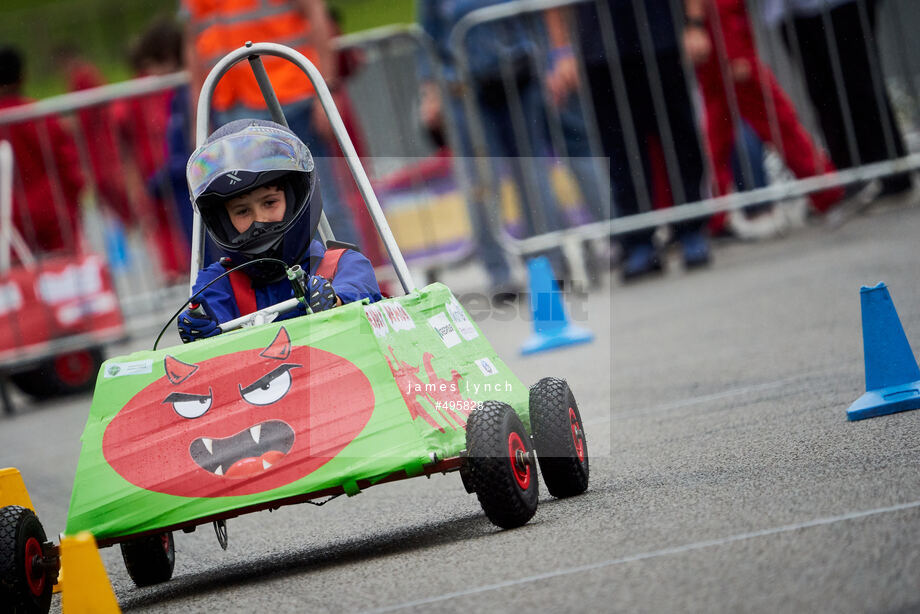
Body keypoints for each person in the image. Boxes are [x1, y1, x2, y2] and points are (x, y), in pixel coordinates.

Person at [546, 0, 712, 281]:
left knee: (680, 138)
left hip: (662, 37)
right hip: (599, 49)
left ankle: (691, 230)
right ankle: (638, 240)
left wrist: (694, 24)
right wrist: (562, 50)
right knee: (619, 150)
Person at [177, 119, 381, 343]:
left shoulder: (342, 264)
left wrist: (334, 301)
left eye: (269, 203)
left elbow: (361, 293)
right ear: (224, 220)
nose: (259, 220)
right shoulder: (219, 283)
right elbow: (209, 316)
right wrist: (201, 329)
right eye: (243, 211)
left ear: (294, 200)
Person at [418, 0, 569, 299]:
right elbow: (427, 35)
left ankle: (551, 265)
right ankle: (499, 274)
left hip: (521, 78)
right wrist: (430, 89)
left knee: (533, 175)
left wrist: (551, 63)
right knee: (480, 184)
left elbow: (536, 17)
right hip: (464, 88)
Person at [180, 0, 360, 246]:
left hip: (291, 98)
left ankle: (346, 279)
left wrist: (326, 90)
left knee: (323, 204)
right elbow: (193, 43)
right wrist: (198, 120)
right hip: (233, 108)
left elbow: (316, 13)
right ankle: (287, 281)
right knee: (259, 217)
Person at [693, 0, 845, 236]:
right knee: (757, 126)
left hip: (721, 40)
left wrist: (733, 50)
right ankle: (825, 191)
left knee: (737, 130)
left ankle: (825, 190)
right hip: (721, 41)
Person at [764, 0, 916, 206]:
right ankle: (851, 180)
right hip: (792, 12)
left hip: (840, 6)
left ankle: (893, 176)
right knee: (822, 94)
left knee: (859, 83)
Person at [0, 45, 84, 256]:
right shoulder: (40, 116)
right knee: (65, 272)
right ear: (23, 76)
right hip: (52, 208)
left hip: (9, 215)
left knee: (19, 280)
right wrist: (74, 195)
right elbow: (67, 163)